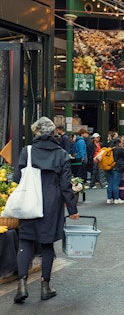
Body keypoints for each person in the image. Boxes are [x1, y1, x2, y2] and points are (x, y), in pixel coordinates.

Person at [13, 116, 80, 304]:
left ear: (36, 132)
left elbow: (17, 178)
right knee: (47, 243)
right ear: (53, 133)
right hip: (52, 203)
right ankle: (45, 286)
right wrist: (72, 209)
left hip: (29, 201)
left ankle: (22, 285)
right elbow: (66, 184)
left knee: (25, 241)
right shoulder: (61, 153)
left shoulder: (27, 151)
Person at [106, 137, 124, 204]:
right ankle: (116, 199)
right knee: (116, 184)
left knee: (110, 183)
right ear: (119, 143)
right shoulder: (119, 149)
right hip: (117, 168)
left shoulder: (109, 149)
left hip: (109, 168)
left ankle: (109, 198)